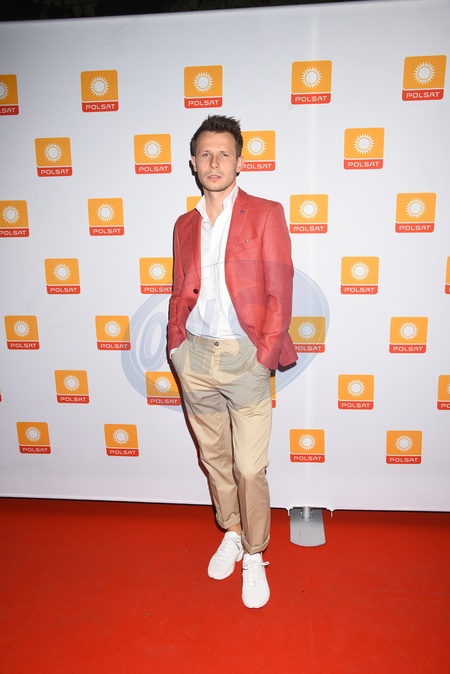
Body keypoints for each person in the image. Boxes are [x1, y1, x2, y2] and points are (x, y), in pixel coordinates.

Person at [167, 115, 297, 609]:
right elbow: (179, 290)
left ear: (239, 161)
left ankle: (256, 553)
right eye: (205, 154)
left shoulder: (265, 213)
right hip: (195, 355)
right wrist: (176, 346)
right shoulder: (184, 225)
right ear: (193, 163)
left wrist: (264, 355)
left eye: (224, 153)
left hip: (245, 356)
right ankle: (233, 531)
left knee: (248, 466)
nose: (214, 162)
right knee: (215, 459)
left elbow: (279, 291)